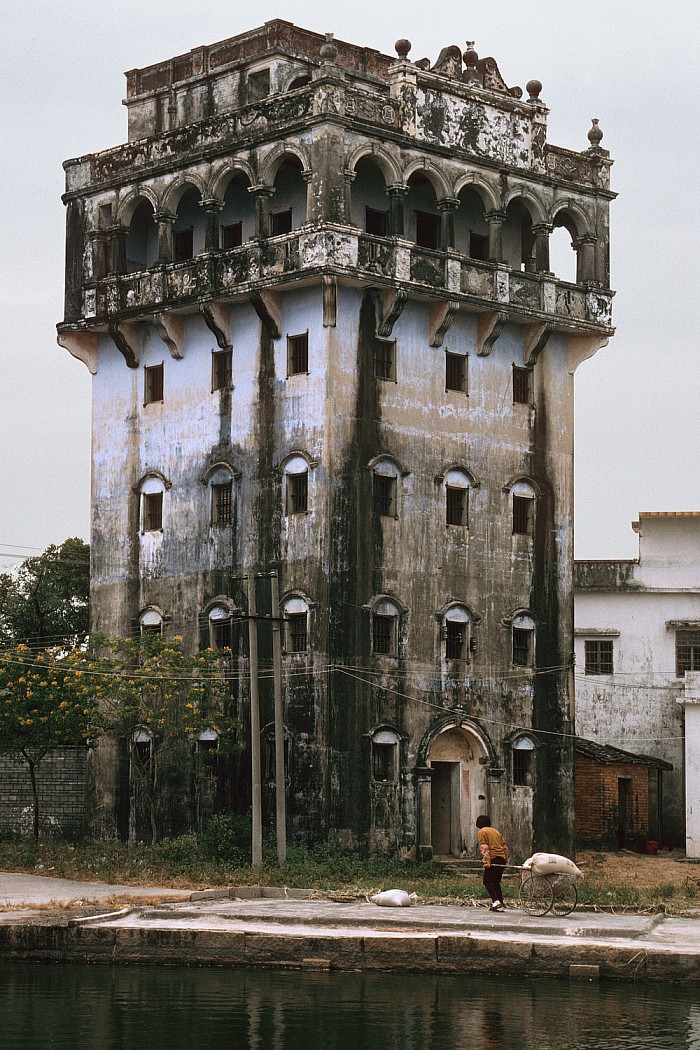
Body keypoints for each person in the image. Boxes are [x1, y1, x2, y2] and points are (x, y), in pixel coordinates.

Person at [476, 815, 508, 911]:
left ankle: (496, 902)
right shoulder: (496, 831)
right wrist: (505, 860)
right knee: (495, 882)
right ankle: (501, 903)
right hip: (501, 858)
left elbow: (485, 847)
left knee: (486, 881)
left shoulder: (482, 832)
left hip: (493, 858)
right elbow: (505, 847)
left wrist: (486, 862)